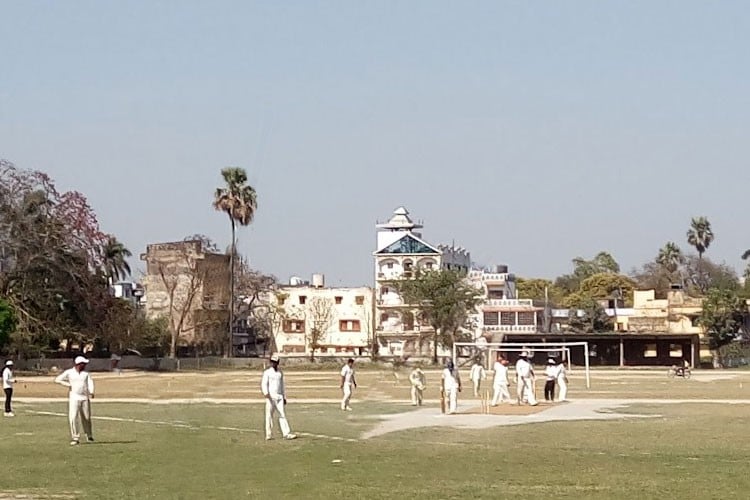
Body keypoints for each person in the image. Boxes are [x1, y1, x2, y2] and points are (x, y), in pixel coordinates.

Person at [54, 356, 95, 445]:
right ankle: (75, 437)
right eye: (83, 364)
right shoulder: (69, 372)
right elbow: (57, 379)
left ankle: (89, 435)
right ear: (78, 364)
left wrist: (91, 391)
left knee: (86, 418)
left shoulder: (86, 374)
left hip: (84, 398)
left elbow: (90, 382)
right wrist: (68, 384)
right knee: (73, 417)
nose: (85, 365)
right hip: (74, 398)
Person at [260, 353, 296, 440]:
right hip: (270, 397)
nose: (274, 363)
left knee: (282, 415)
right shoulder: (267, 372)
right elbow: (264, 384)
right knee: (269, 416)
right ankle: (268, 434)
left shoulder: (280, 373)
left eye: (275, 362)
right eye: (272, 362)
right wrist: (266, 394)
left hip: (279, 397)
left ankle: (286, 433)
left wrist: (284, 397)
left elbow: (282, 385)